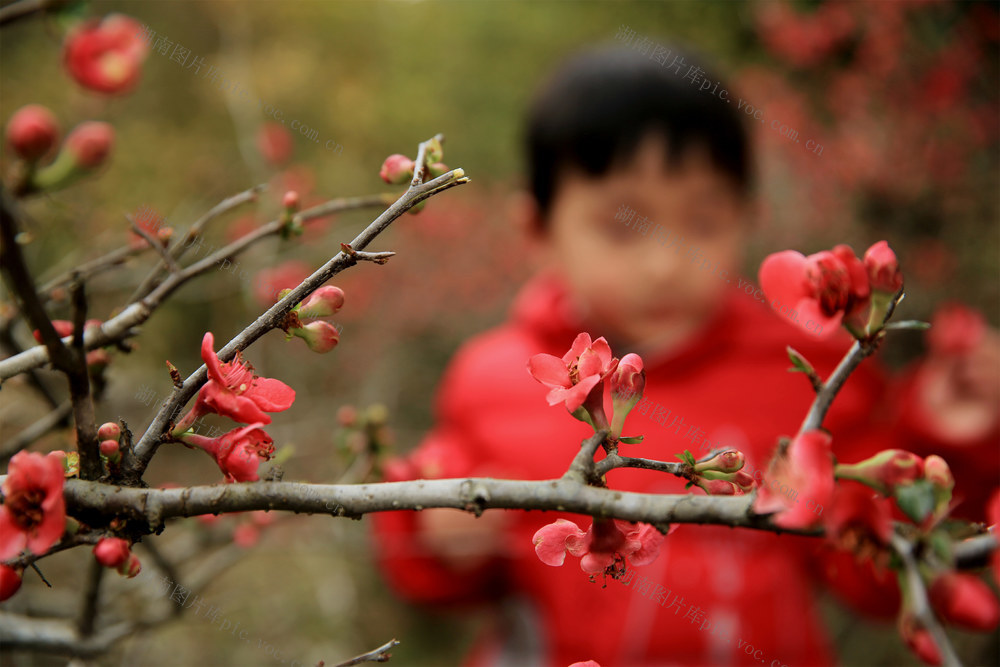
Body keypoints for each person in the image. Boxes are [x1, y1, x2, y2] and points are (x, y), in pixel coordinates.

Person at [371, 44, 1000, 666]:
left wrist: (946, 436)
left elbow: (869, 572)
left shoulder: (803, 368)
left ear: (747, 216)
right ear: (538, 231)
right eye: (622, 227)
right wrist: (438, 543)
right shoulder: (490, 379)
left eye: (702, 222)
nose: (666, 263)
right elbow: (439, 576)